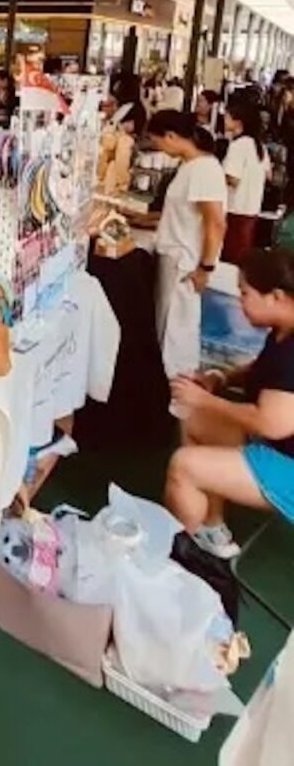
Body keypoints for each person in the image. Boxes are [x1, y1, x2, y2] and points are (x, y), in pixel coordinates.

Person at [167, 248, 294, 558]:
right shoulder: (283, 329)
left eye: (245, 293)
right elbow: (262, 370)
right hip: (280, 448)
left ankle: (181, 559)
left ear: (276, 297)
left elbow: (271, 423)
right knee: (194, 417)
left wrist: (205, 399)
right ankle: (211, 528)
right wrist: (219, 379)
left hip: (287, 465)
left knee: (183, 467)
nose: (240, 302)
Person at [149, 108, 227, 384]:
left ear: (171, 136)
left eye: (158, 141)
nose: (159, 148)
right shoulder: (190, 166)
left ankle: (179, 391)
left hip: (185, 262)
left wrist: (206, 267)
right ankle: (168, 388)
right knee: (168, 327)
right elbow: (183, 213)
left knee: (176, 332)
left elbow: (215, 222)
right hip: (173, 258)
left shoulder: (204, 169)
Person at [222, 96, 270, 265]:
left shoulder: (238, 145)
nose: (223, 119)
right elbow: (268, 175)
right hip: (252, 209)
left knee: (231, 257)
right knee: (241, 256)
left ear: (238, 122)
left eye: (227, 116)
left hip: (235, 209)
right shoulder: (260, 146)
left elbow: (233, 179)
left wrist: (215, 175)